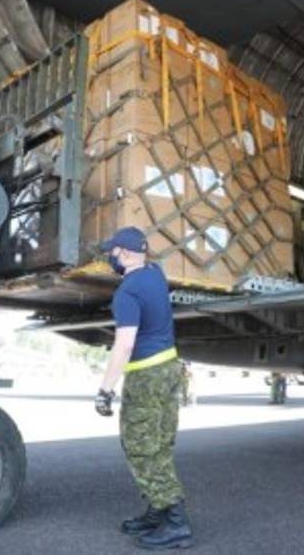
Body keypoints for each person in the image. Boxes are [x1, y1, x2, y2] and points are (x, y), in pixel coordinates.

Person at [93, 226, 194, 550]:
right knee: (160, 444)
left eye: (113, 252)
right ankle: (157, 512)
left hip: (147, 376)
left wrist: (105, 390)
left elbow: (124, 345)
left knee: (142, 448)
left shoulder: (128, 291)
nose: (110, 257)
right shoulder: (154, 274)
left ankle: (176, 524)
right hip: (168, 369)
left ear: (123, 253)